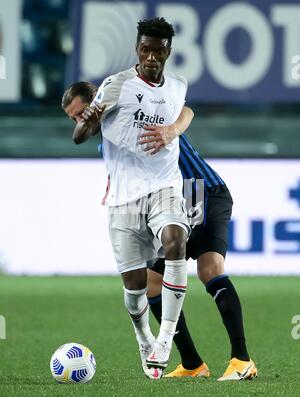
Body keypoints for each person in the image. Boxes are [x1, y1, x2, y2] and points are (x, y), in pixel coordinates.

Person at [62, 81, 257, 381]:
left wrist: (172, 130)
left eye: (82, 113)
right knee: (153, 284)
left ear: (98, 102)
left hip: (199, 190)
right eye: (74, 119)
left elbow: (186, 110)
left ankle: (241, 360)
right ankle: (193, 364)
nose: (81, 122)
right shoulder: (107, 143)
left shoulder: (135, 109)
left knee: (209, 269)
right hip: (168, 203)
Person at [69, 17, 192, 380]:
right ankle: (144, 337)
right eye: (145, 49)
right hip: (124, 197)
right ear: (137, 49)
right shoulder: (117, 85)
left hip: (165, 185)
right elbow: (81, 134)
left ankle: (166, 337)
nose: (151, 56)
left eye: (159, 50)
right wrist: (88, 119)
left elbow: (186, 109)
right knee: (135, 287)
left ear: (168, 51)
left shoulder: (178, 85)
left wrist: (173, 130)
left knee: (176, 240)